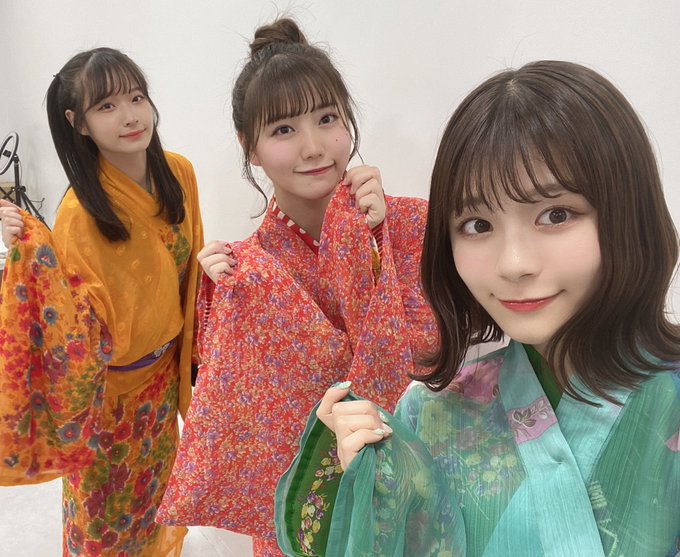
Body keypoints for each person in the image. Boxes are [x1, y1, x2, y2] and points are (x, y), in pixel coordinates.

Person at [277, 60, 680, 556]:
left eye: (556, 215)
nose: (514, 264)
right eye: (477, 225)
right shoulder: (429, 414)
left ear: (628, 212)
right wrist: (364, 480)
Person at [156, 17, 437, 556]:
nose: (313, 147)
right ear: (250, 147)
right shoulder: (246, 271)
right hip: (304, 509)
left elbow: (440, 359)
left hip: (413, 487)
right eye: (283, 129)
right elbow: (240, 421)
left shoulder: (408, 226)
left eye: (327, 118)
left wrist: (376, 242)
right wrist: (220, 298)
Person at [0, 47, 204, 556]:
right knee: (104, 519)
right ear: (79, 123)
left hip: (162, 383)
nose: (130, 116)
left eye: (136, 98)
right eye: (107, 106)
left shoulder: (179, 173)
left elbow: (192, 280)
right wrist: (31, 249)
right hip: (110, 401)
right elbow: (70, 327)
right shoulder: (78, 216)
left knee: (159, 499)